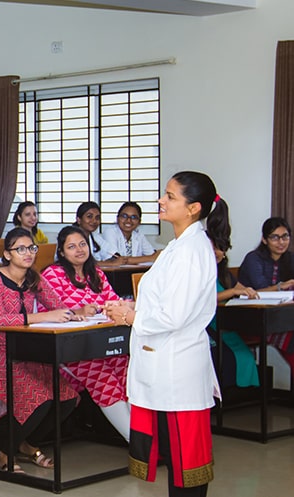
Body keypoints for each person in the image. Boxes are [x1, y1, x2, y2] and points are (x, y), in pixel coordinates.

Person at [105, 171, 227, 496]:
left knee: (185, 463)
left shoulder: (191, 251)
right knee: (176, 460)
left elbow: (174, 314)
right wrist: (129, 308)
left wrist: (131, 316)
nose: (161, 200)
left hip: (177, 367)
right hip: (164, 363)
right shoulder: (177, 246)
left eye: (171, 196)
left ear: (194, 208)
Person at [0, 228, 80, 472]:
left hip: (25, 348)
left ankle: (27, 443)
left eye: (31, 248)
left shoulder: (33, 278)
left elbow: (58, 306)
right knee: (39, 398)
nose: (28, 253)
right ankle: (5, 450)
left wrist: (78, 313)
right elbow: (0, 320)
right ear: (7, 254)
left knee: (67, 396)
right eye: (20, 249)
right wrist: (46, 316)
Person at [41, 226, 130, 441]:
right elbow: (46, 313)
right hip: (70, 349)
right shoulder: (53, 274)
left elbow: (113, 300)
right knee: (102, 376)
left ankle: (145, 433)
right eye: (71, 247)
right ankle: (137, 443)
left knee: (125, 366)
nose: (79, 250)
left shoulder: (95, 273)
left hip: (99, 343)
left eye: (82, 244)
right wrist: (77, 312)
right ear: (61, 252)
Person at [206, 209, 260, 388]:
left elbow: (240, 288)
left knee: (243, 356)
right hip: (207, 325)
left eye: (220, 248)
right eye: (211, 248)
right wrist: (232, 293)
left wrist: (247, 291)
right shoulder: (199, 273)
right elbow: (204, 300)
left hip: (226, 323)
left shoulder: (224, 273)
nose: (216, 252)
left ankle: (242, 394)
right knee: (224, 357)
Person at [238, 217, 294, 370]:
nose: (281, 242)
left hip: (278, 318)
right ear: (264, 239)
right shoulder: (254, 258)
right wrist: (281, 287)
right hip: (251, 318)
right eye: (275, 237)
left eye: (285, 237)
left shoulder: (290, 258)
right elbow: (259, 291)